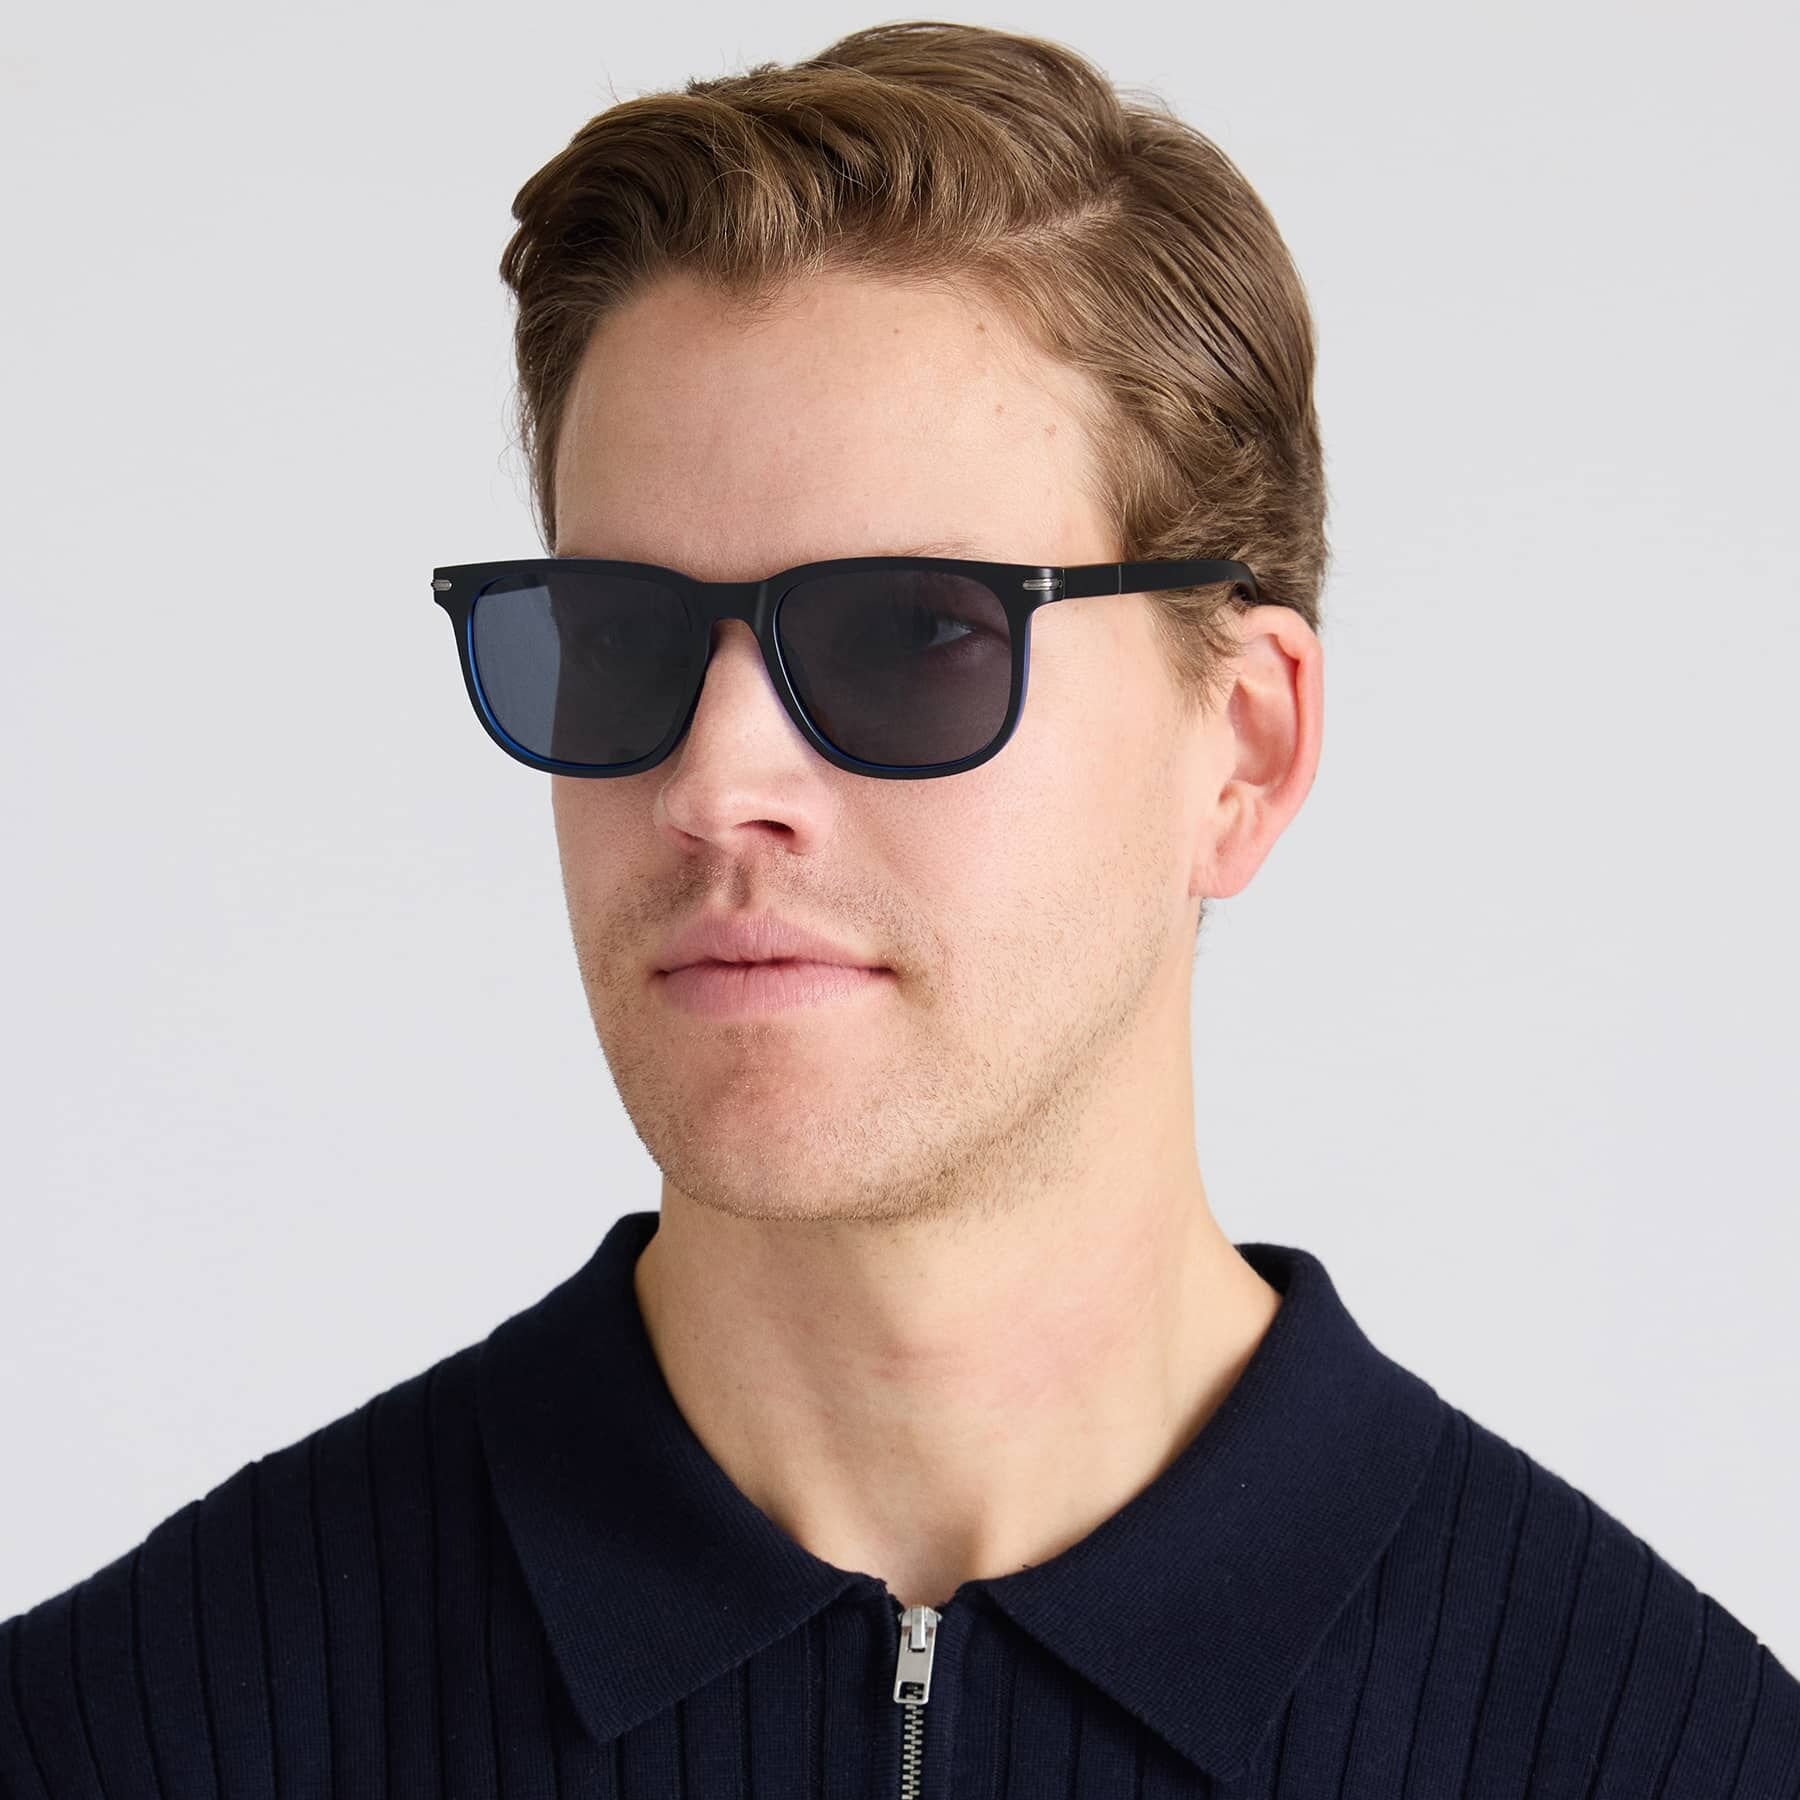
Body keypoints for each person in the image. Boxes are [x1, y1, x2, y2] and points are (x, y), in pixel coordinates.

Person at [3, 20, 1795, 1799]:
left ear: (1243, 749)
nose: (712, 785)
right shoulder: (127, 1735)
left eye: (916, 632)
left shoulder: (1667, 1757)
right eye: (621, 636)